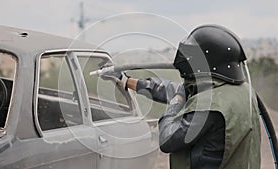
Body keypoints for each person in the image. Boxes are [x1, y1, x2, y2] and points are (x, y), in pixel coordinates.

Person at [104, 25, 261, 169]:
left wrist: (174, 104)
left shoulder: (209, 107)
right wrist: (128, 81)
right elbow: (176, 90)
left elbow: (168, 140)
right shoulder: (240, 90)